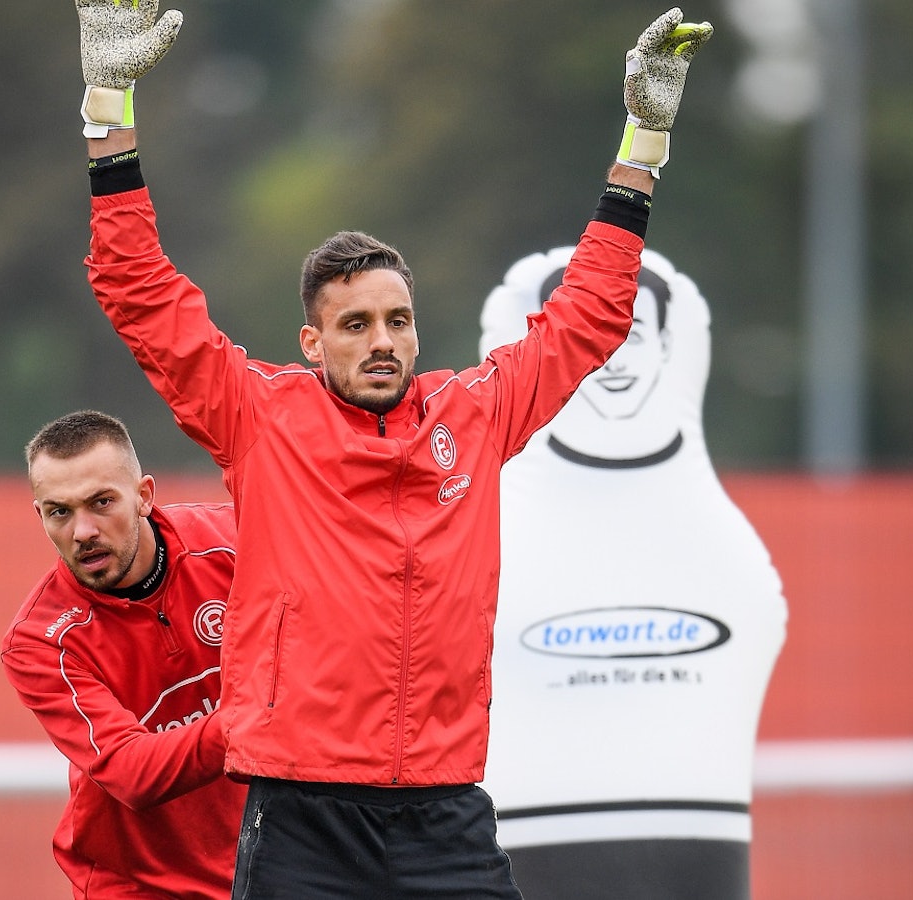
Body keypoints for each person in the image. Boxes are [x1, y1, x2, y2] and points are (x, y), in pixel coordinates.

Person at [71, 3, 713, 896]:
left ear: (417, 331)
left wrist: (644, 138)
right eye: (355, 323)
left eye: (397, 320)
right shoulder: (259, 417)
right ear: (311, 341)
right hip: (301, 816)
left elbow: (593, 314)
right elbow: (138, 292)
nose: (381, 340)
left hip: (446, 815)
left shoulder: (477, 415)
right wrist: (110, 106)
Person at [478, 249, 788, 898]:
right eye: (590, 341)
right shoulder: (482, 536)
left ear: (670, 345)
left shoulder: (715, 541)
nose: (612, 360)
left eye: (631, 335)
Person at [1, 410, 247, 899]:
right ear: (40, 516)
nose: (83, 531)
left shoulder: (238, 543)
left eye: (101, 502)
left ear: (144, 496)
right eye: (60, 512)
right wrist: (262, 717)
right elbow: (133, 772)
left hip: (267, 866)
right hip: (136, 886)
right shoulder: (39, 640)